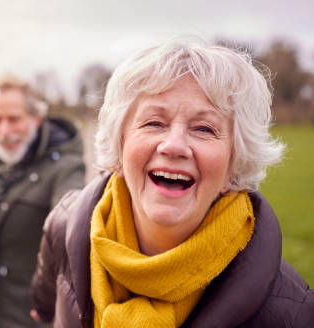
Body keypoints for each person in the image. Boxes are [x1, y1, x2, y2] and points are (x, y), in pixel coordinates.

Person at [30, 37, 314, 327]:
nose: (174, 146)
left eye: (204, 128)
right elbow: (44, 306)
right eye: (154, 123)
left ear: (235, 165)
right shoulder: (63, 225)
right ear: (119, 146)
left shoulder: (295, 315)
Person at [0, 74, 85, 328]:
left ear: (36, 119)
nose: (4, 131)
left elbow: (71, 226)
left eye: (14, 119)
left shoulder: (66, 168)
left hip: (33, 317)